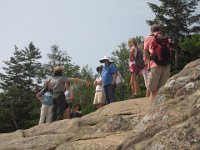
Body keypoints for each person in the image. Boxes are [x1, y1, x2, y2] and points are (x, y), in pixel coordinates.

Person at [143, 24, 171, 102]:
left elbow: (145, 51)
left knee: (153, 90)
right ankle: (161, 107)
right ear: (159, 30)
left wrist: (147, 62)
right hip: (166, 65)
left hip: (154, 65)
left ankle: (153, 109)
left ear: (151, 31)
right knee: (162, 89)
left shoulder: (149, 38)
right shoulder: (166, 38)